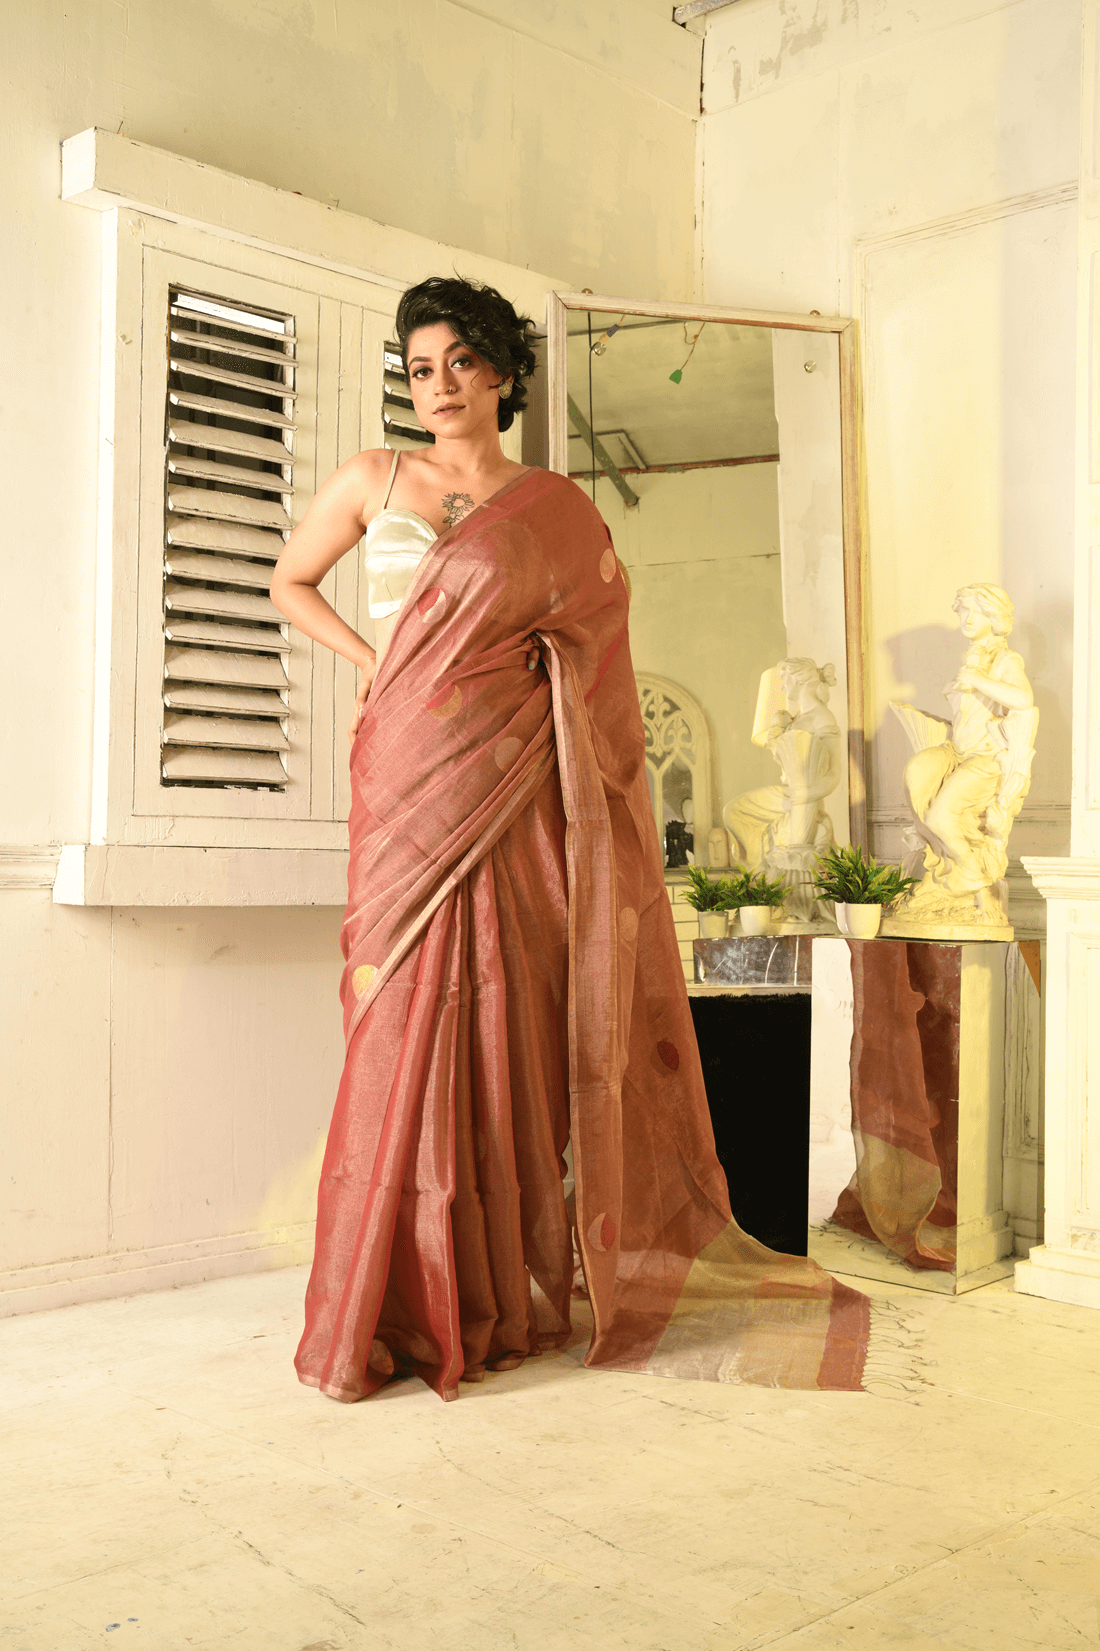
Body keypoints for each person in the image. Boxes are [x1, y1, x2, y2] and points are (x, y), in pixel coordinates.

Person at [271, 276, 869, 1403]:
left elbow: (593, 642)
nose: (438, 385)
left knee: (505, 1007)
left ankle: (493, 1290)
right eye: (419, 368)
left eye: (459, 362)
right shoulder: (371, 478)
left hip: (513, 776)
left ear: (500, 371)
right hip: (404, 766)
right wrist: (375, 664)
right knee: (394, 1009)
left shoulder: (550, 505)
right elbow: (288, 581)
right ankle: (389, 1292)